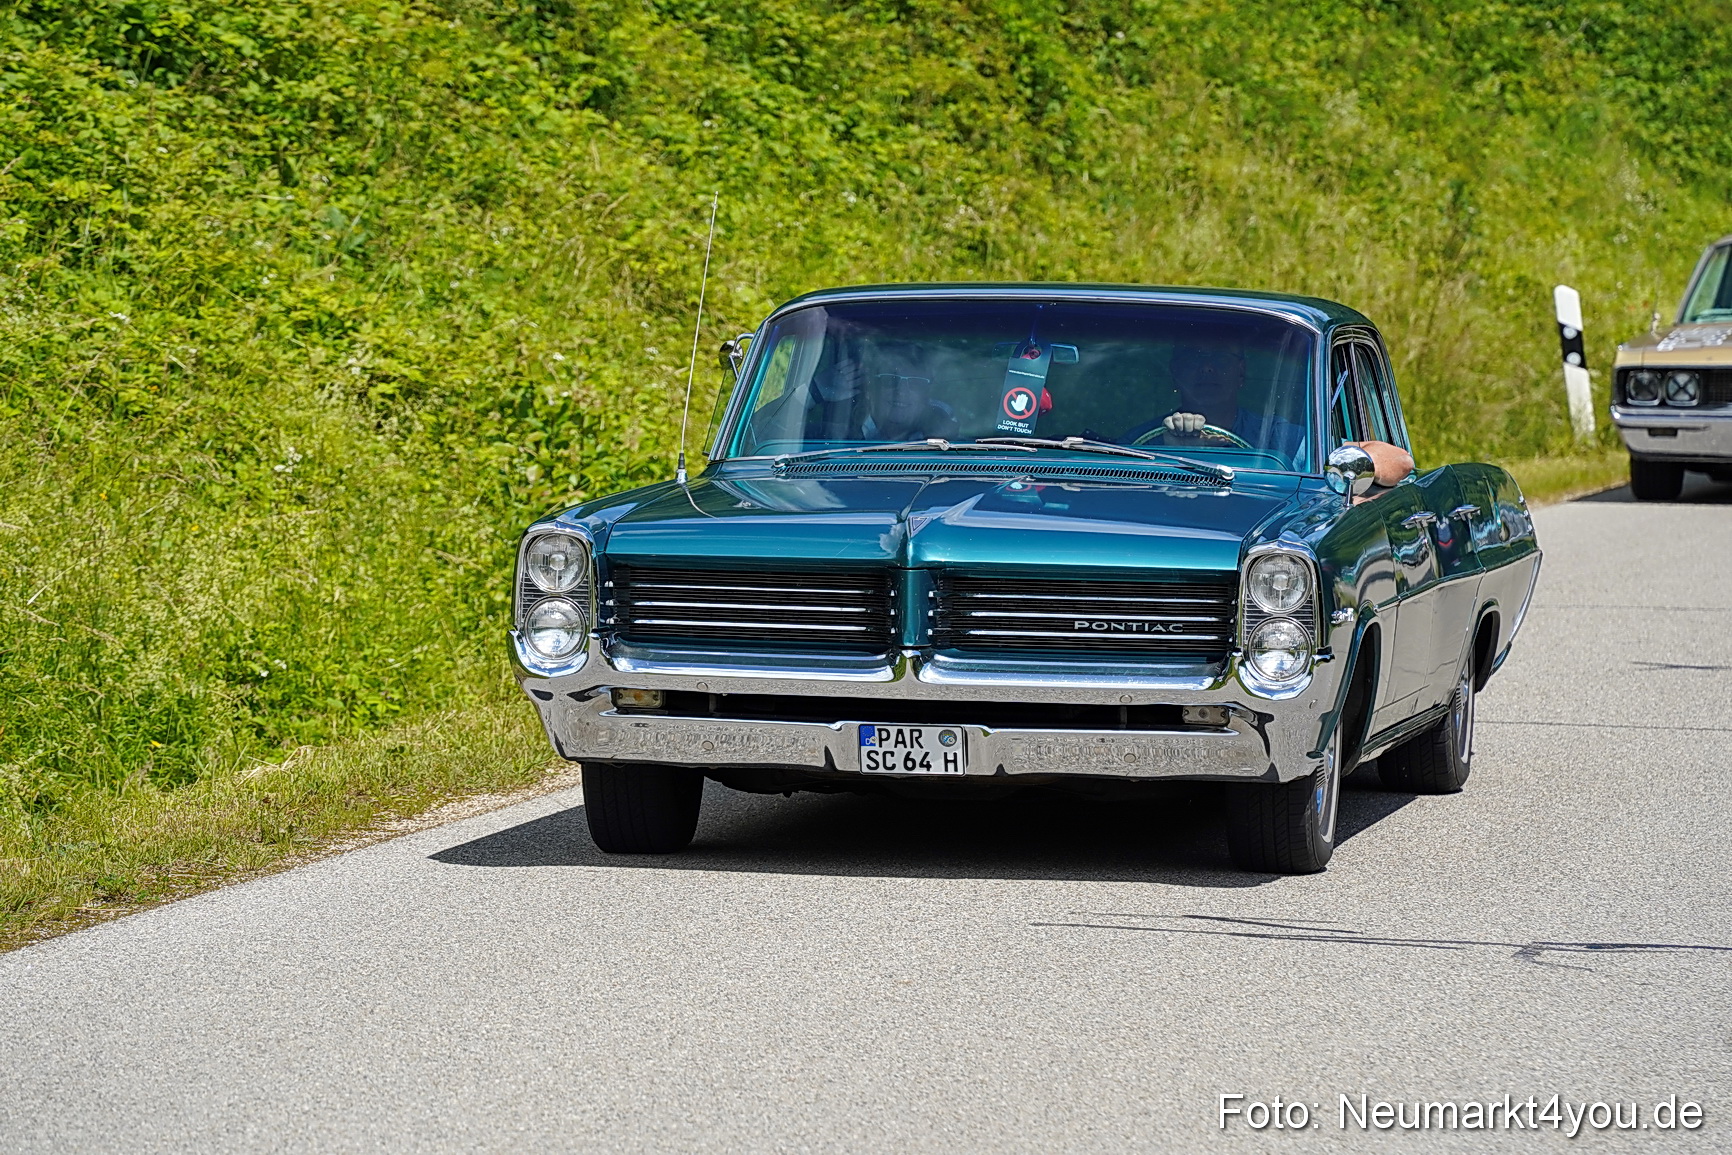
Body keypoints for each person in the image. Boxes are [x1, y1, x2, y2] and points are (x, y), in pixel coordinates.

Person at [1132, 341, 1412, 484]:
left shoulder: (1286, 440)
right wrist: (1176, 449)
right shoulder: (1138, 443)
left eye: (1219, 358)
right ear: (1175, 372)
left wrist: (1355, 462)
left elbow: (1399, 462)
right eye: (1195, 357)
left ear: (1241, 373)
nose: (1207, 368)